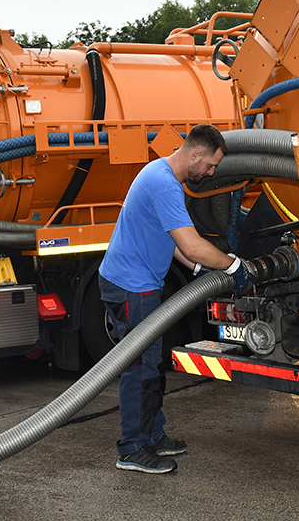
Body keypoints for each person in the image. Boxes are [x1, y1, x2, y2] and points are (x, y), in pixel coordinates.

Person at [98, 123, 254, 473]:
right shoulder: (164, 184)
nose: (211, 172)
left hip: (139, 282)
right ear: (195, 154)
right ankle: (132, 449)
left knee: (152, 361)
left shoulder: (163, 176)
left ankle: (152, 434)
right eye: (210, 166)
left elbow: (173, 240)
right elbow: (191, 243)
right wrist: (233, 266)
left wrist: (200, 270)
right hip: (130, 287)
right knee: (139, 367)